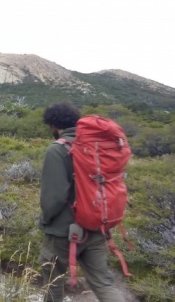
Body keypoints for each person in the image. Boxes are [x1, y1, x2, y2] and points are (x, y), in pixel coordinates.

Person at [39, 102, 123, 301]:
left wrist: (46, 219)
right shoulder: (97, 147)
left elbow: (55, 197)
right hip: (96, 226)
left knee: (52, 278)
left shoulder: (57, 150)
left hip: (63, 231)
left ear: (54, 124)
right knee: (103, 283)